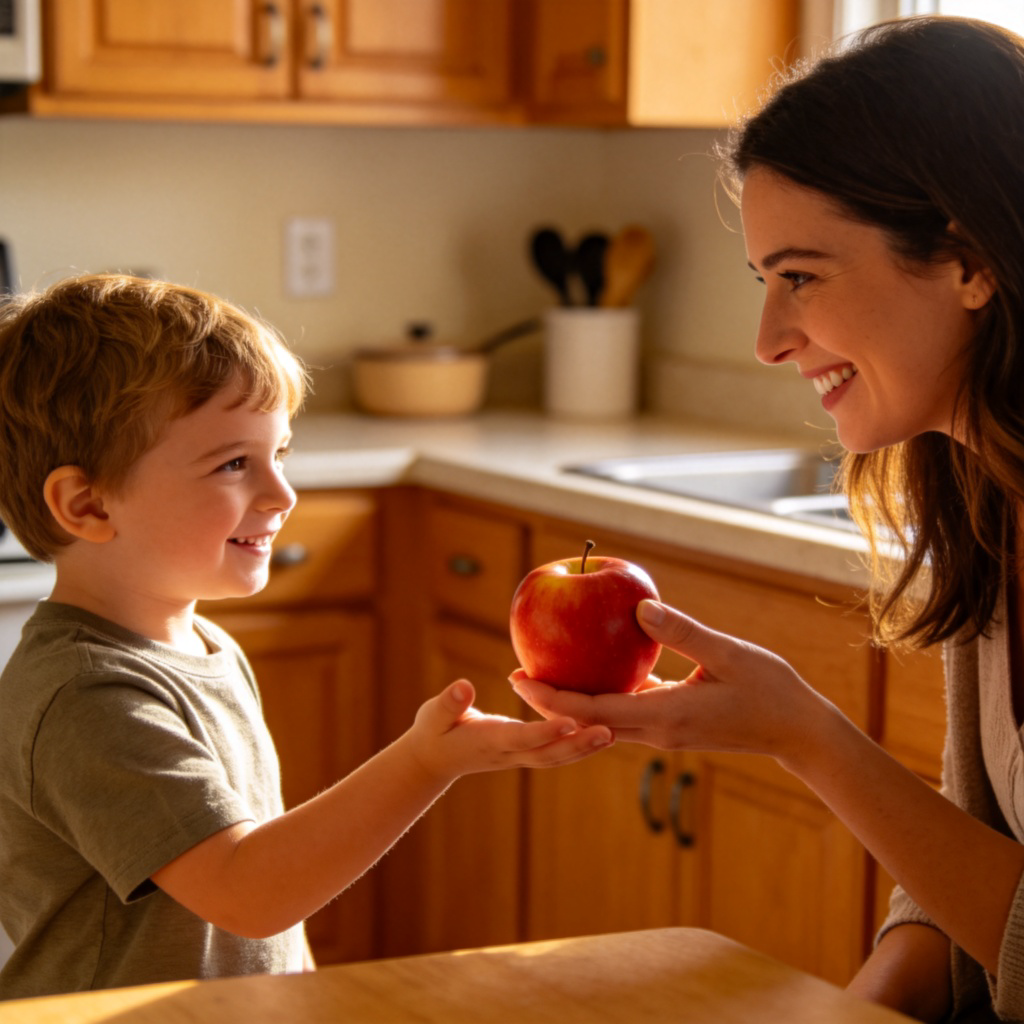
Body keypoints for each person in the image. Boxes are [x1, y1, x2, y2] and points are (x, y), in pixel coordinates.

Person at [512, 16, 1024, 1024]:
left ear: (968, 261)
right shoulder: (982, 505)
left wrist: (807, 735)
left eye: (800, 277)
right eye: (764, 283)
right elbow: (971, 850)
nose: (767, 339)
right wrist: (857, 1006)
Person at [0, 274, 612, 1000]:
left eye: (279, 454)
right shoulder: (88, 695)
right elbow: (248, 892)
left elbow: (263, 915)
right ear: (87, 503)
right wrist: (422, 763)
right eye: (233, 463)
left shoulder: (204, 647)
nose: (282, 494)